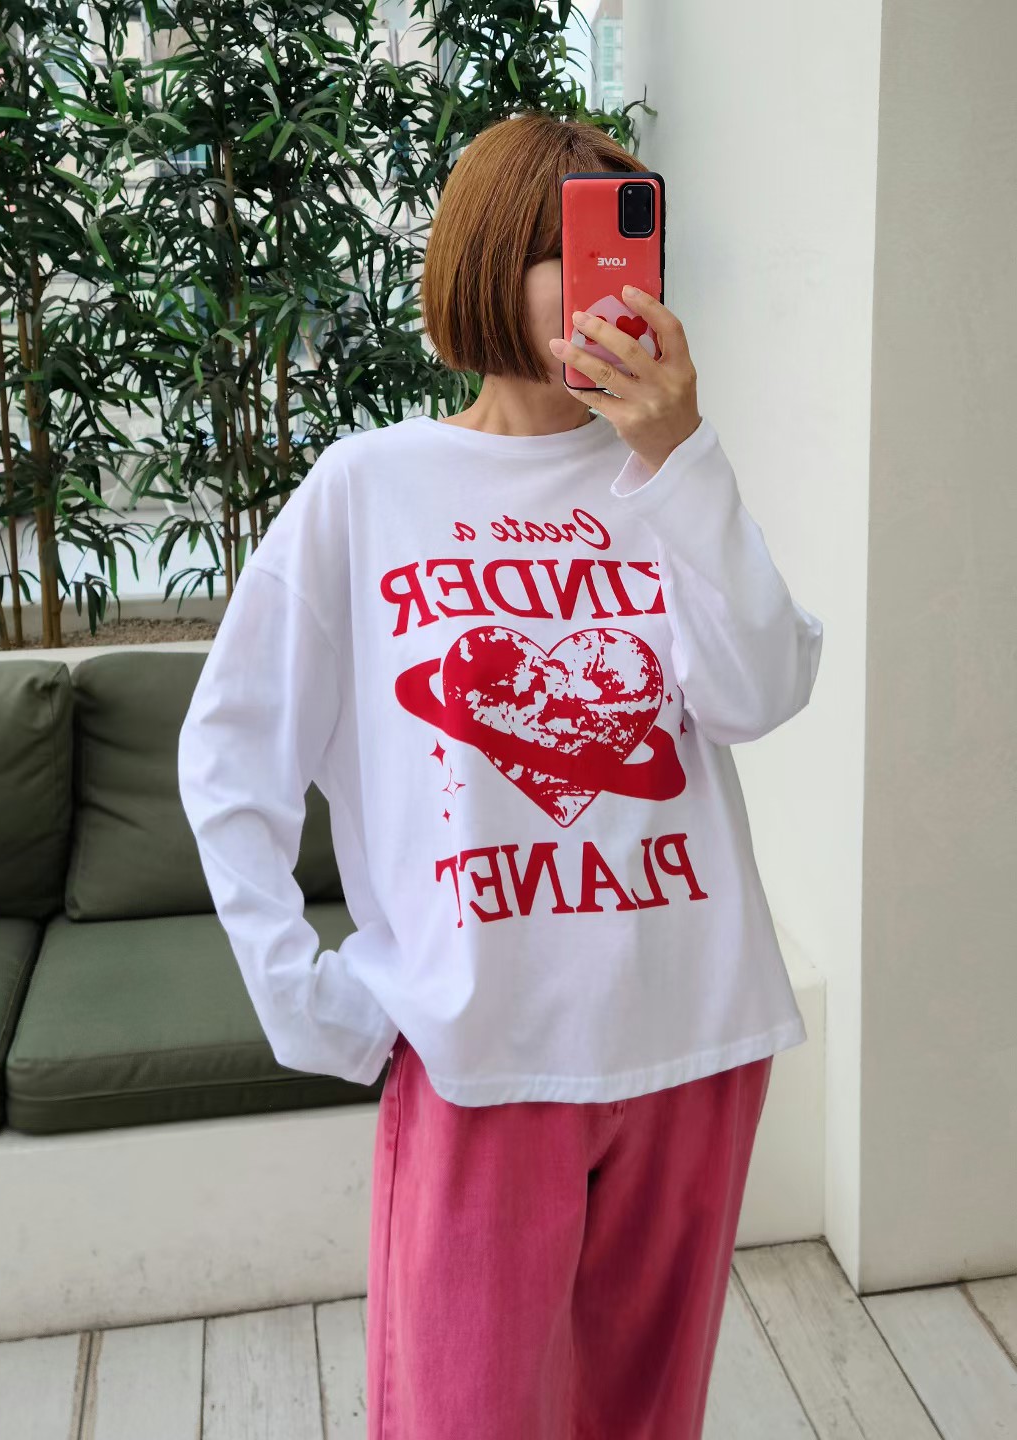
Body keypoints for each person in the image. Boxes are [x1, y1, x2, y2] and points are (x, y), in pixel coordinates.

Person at [177, 110, 823, 1440]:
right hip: (482, 1050)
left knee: (643, 1418)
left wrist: (682, 458)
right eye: (573, 252)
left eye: (633, 250)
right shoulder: (370, 487)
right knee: (460, 1417)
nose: (614, 285)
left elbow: (759, 695)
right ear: (488, 259)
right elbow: (231, 753)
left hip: (693, 1033)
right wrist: (308, 1001)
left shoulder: (668, 478)